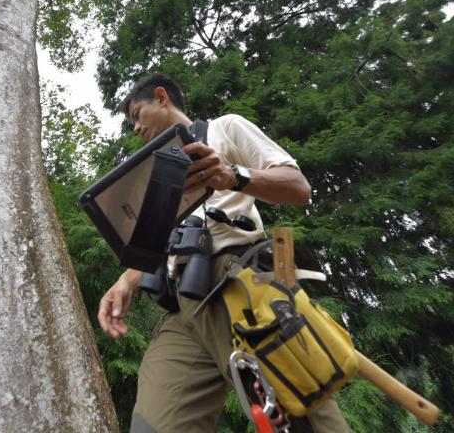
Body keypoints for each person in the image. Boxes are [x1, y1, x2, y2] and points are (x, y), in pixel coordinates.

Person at [97, 73, 354, 433]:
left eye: (138, 114)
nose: (136, 127)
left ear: (161, 97)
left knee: (299, 419)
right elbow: (158, 240)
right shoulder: (155, 173)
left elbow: (299, 188)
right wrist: (126, 281)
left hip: (237, 287)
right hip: (182, 309)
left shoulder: (225, 128)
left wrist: (232, 175)